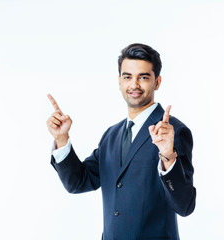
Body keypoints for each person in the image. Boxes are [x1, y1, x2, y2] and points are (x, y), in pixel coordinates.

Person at [46, 43, 196, 239]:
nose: (134, 85)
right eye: (127, 77)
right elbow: (78, 182)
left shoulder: (173, 132)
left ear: (157, 82)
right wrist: (62, 138)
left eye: (143, 77)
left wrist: (168, 156)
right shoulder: (112, 135)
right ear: (119, 82)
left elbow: (185, 206)